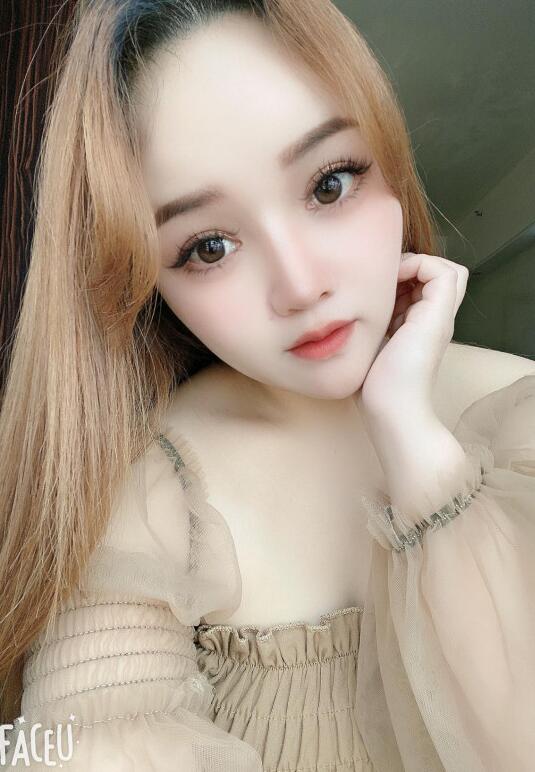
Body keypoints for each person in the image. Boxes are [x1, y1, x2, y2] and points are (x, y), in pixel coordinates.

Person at [1, 0, 534, 769]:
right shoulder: (145, 497)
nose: (300, 285)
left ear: (389, 161)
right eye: (208, 246)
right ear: (149, 279)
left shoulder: (520, 408)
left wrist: (419, 455)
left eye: (329, 184)